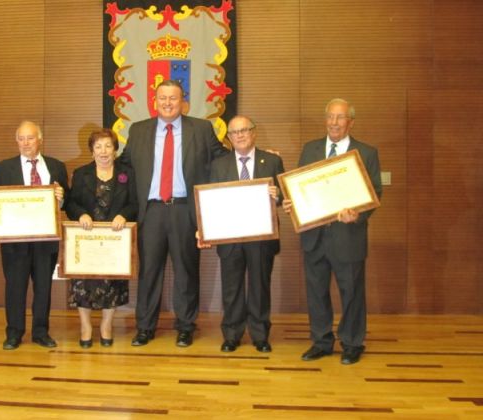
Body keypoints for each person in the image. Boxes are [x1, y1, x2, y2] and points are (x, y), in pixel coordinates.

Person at [121, 79, 229, 347]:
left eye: (173, 98)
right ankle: (145, 327)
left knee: (186, 271)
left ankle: (185, 326)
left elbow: (223, 158)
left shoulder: (201, 129)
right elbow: (123, 165)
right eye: (163, 98)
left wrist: (253, 155)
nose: (167, 103)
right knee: (149, 272)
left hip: (184, 210)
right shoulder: (139, 130)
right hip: (152, 211)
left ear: (183, 102)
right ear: (154, 101)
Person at [283, 99, 382, 364]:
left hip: (348, 236)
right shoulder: (310, 149)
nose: (334, 122)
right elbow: (301, 187)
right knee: (316, 292)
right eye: (330, 117)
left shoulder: (366, 153)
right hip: (314, 236)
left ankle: (352, 342)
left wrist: (358, 214)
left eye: (340, 117)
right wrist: (292, 203)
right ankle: (321, 341)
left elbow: (375, 193)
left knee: (352, 292)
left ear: (351, 122)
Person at [207, 116, 284, 353]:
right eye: (234, 132)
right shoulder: (218, 165)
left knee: (260, 286)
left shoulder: (272, 160)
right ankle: (232, 334)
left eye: (244, 130)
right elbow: (211, 201)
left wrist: (277, 195)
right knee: (232, 287)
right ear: (229, 138)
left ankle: (260, 335)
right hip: (230, 237)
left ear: (254, 132)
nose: (239, 135)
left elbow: (284, 194)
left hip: (262, 236)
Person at [0, 120, 68, 350]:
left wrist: (61, 197)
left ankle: (41, 332)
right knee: (15, 288)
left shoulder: (56, 167)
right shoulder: (3, 168)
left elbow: (67, 201)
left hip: (46, 240)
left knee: (43, 288)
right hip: (15, 242)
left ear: (40, 140)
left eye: (30, 138)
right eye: (21, 139)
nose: (25, 143)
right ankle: (14, 333)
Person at [65, 129, 137, 348]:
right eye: (98, 147)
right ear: (92, 151)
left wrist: (124, 215)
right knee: (83, 283)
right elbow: (71, 203)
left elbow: (135, 203)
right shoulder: (81, 173)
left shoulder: (127, 173)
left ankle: (107, 325)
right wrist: (81, 214)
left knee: (111, 283)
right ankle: (85, 327)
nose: (103, 151)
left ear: (115, 150)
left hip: (115, 239)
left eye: (108, 146)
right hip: (86, 239)